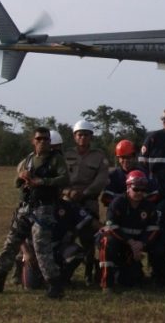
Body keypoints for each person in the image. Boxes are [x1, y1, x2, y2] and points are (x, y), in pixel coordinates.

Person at [0, 127, 69, 299]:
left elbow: (65, 179)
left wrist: (41, 181)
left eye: (46, 139)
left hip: (44, 208)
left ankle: (54, 285)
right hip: (25, 208)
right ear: (33, 141)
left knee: (41, 247)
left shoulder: (56, 160)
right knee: (11, 243)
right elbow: (17, 183)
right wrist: (22, 177)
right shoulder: (28, 160)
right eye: (39, 139)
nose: (42, 142)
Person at [63, 119, 109, 285]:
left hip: (89, 201)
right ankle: (65, 271)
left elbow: (101, 179)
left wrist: (85, 192)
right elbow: (60, 177)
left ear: (91, 137)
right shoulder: (65, 155)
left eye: (86, 135)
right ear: (74, 136)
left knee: (88, 239)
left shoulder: (99, 156)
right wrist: (68, 192)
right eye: (80, 134)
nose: (83, 137)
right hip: (67, 201)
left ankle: (89, 272)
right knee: (65, 237)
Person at [98, 170, 159, 293]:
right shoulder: (117, 203)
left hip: (137, 244)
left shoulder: (149, 206)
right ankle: (107, 284)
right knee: (107, 241)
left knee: (131, 281)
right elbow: (112, 227)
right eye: (136, 189)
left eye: (143, 190)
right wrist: (131, 242)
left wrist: (141, 244)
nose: (139, 192)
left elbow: (153, 230)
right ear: (128, 187)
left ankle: (157, 278)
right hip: (118, 240)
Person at [102, 139, 160, 208]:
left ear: (134, 157)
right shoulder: (113, 175)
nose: (126, 160)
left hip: (140, 212)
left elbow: (155, 195)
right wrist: (124, 203)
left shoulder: (143, 174)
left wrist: (140, 203)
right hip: (119, 211)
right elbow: (106, 198)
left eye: (128, 157)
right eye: (123, 157)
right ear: (118, 158)